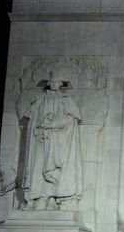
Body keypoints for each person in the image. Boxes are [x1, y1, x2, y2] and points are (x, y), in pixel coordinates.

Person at [18, 75, 84, 210]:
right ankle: (37, 199)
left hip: (59, 142)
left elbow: (69, 121)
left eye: (57, 82)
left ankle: (54, 199)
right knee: (37, 168)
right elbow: (33, 121)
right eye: (51, 82)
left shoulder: (66, 101)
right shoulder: (40, 100)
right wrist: (38, 129)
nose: (54, 84)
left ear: (61, 84)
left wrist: (52, 125)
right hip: (41, 140)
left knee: (56, 171)